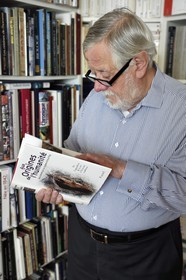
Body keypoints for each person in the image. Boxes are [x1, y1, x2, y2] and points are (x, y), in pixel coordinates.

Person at [35, 8, 186, 280]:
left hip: (146, 255)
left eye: (103, 73)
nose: (97, 87)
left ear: (138, 63)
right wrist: (56, 183)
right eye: (92, 73)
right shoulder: (97, 97)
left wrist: (120, 169)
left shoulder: (182, 109)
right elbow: (74, 150)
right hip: (82, 244)